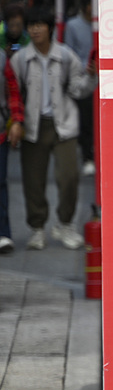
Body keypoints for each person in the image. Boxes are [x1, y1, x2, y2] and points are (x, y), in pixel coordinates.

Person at [8, 6, 96, 250]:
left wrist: (90, 76)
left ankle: (65, 224)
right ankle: (37, 229)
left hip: (63, 124)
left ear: (50, 28)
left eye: (40, 25)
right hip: (33, 126)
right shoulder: (20, 59)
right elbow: (13, 92)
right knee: (32, 180)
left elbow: (79, 89)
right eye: (31, 26)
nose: (35, 30)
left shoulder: (66, 56)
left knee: (69, 176)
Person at [64, 3, 95, 175]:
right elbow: (70, 51)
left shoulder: (102, 23)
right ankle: (87, 156)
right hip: (82, 76)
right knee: (86, 120)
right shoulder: (73, 26)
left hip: (101, 77)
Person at [1, 49, 25, 254]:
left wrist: (17, 120)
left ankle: (3, 233)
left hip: (0, 132)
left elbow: (13, 90)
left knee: (0, 184)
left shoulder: (1, 58)